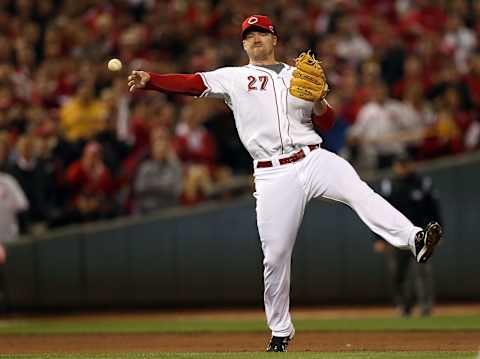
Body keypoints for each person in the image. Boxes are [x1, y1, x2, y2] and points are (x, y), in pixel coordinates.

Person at [127, 15, 443, 352]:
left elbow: (328, 122)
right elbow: (192, 82)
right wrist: (152, 80)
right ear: (243, 44)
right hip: (271, 173)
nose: (255, 39)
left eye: (261, 32)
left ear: (274, 39)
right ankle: (280, 330)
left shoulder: (299, 76)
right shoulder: (234, 78)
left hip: (312, 156)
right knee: (275, 256)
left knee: (359, 191)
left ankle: (414, 238)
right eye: (248, 35)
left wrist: (320, 100)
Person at [374, 156, 442, 317]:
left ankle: (426, 308)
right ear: (396, 167)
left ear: (411, 165)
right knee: (398, 273)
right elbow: (378, 212)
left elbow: (434, 210)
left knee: (423, 272)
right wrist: (378, 238)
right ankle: (404, 307)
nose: (403, 168)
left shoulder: (423, 183)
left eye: (406, 165)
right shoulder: (388, 185)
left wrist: (438, 234)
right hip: (396, 237)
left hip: (422, 235)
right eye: (400, 166)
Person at [0, 170, 29, 310]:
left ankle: (11, 307)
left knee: (12, 277)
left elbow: (22, 206)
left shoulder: (7, 181)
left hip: (10, 239)